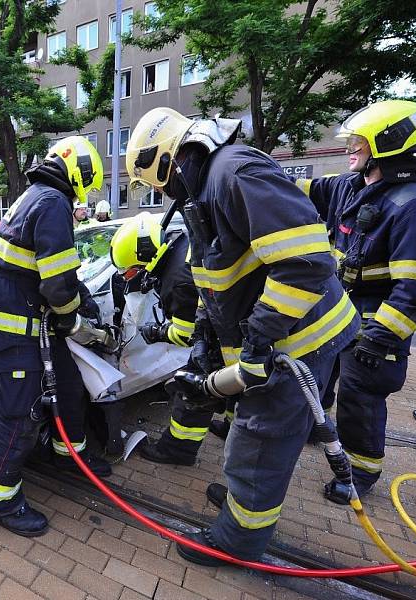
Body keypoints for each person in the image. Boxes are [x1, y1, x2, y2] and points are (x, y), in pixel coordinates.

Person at [125, 107, 359, 565]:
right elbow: (215, 281)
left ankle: (240, 541)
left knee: (259, 440)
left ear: (165, 160)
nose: (159, 192)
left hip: (300, 340)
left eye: (154, 181)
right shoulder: (207, 190)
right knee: (249, 436)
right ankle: (240, 505)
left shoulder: (234, 172)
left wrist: (257, 344)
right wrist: (204, 342)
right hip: (283, 337)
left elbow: (305, 262)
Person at [293, 100, 416, 503]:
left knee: (360, 400)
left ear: (385, 144)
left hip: (376, 326)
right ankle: (312, 432)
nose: (349, 149)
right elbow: (300, 190)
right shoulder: (351, 187)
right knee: (316, 380)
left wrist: (379, 338)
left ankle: (359, 473)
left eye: (357, 142)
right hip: (340, 313)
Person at [0, 136, 111, 537]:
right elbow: (57, 285)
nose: (83, 195)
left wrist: (76, 303)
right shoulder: (53, 202)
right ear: (81, 173)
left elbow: (54, 271)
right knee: (21, 415)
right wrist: (76, 323)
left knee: (69, 387)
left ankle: (68, 457)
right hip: (20, 330)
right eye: (86, 185)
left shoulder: (36, 195)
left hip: (30, 324)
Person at [110, 212, 218, 465]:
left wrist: (157, 333)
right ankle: (229, 423)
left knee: (192, 389)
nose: (129, 278)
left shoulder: (176, 283)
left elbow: (188, 336)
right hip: (238, 320)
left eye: (129, 272)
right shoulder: (181, 244)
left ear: (144, 260)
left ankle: (177, 450)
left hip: (227, 336)